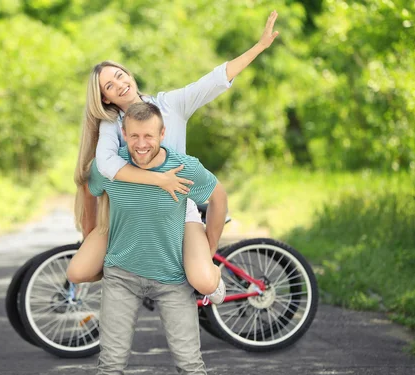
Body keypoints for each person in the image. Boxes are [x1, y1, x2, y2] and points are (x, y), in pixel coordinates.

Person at [67, 11, 280, 303]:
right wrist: (157, 179)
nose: (119, 85)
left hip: (177, 207)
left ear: (129, 74)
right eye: (109, 86)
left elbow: (215, 79)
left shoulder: (172, 105)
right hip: (130, 215)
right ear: (105, 98)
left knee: (204, 282)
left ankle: (206, 264)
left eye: (120, 76)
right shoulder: (111, 126)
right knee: (79, 271)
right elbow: (105, 165)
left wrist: (259, 47)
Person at [89, 102, 227, 375]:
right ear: (123, 134)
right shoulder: (109, 168)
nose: (141, 144)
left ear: (163, 133)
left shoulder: (184, 167)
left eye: (149, 136)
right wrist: (93, 239)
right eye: (134, 136)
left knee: (190, 363)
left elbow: (218, 196)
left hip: (172, 278)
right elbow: (92, 196)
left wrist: (209, 248)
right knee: (110, 364)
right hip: (121, 276)